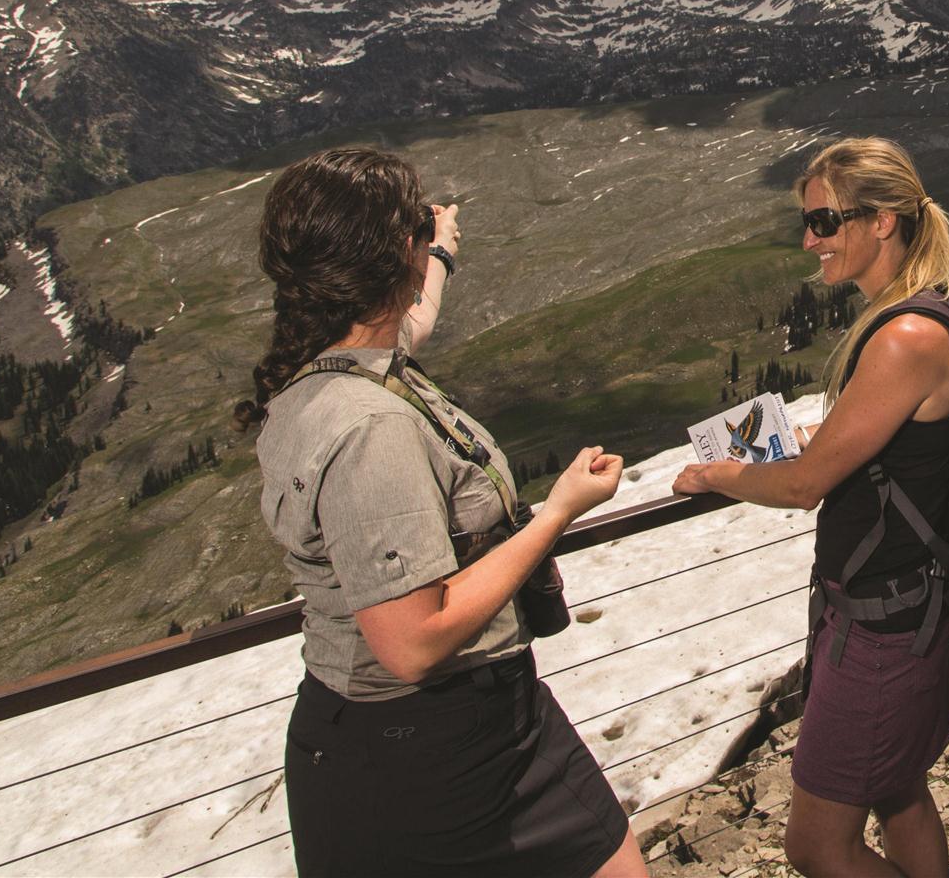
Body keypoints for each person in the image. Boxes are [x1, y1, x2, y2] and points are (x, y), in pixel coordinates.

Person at [235, 147, 645, 878]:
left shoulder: (324, 368)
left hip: (440, 732)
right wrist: (558, 514)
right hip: (427, 754)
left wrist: (441, 251)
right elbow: (414, 641)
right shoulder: (371, 430)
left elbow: (407, 325)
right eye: (416, 223)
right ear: (393, 252)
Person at [673, 137, 949, 878]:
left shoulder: (902, 335)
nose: (811, 240)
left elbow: (803, 487)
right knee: (900, 792)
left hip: (879, 632)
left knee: (816, 845)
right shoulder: (922, 312)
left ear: (883, 221)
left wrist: (722, 476)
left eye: (825, 222)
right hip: (905, 609)